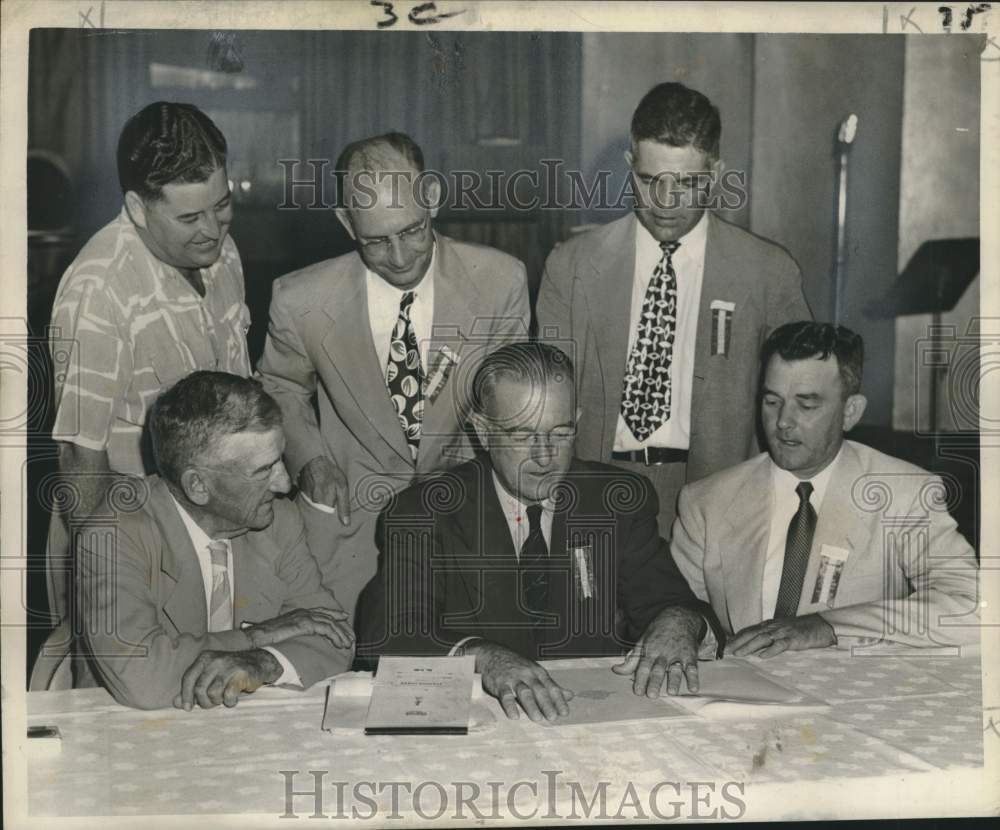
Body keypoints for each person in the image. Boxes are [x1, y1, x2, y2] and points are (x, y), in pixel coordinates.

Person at [356, 343, 723, 723]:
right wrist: (483, 659)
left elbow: (673, 603)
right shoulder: (426, 510)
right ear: (482, 432)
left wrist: (681, 621)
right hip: (482, 731)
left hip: (589, 721)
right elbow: (389, 635)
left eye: (560, 433)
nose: (545, 456)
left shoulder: (614, 501)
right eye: (522, 435)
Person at [257, 132, 530, 616]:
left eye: (411, 231)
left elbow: (508, 405)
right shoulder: (299, 300)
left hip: (466, 518)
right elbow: (281, 386)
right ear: (345, 223)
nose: (400, 259)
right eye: (377, 242)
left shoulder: (500, 280)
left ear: (432, 198)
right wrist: (310, 461)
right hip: (349, 532)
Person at [535, 81, 812, 542]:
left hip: (720, 496)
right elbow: (546, 404)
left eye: (686, 183)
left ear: (717, 174)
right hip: (598, 490)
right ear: (629, 167)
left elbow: (798, 406)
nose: (665, 201)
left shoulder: (768, 273)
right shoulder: (572, 266)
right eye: (649, 180)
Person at [46, 102, 251, 626]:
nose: (213, 229)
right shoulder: (99, 292)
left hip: (220, 534)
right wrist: (107, 599)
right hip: (132, 551)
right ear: (138, 208)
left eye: (222, 206)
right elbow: (79, 460)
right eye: (189, 217)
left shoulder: (219, 254)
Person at [670, 322, 980, 655]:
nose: (784, 421)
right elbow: (676, 615)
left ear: (850, 412)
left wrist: (828, 626)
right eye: (772, 401)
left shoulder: (904, 493)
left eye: (807, 405)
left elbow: (972, 607)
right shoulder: (705, 502)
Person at [77, 372, 354, 710]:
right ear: (198, 486)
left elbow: (336, 637)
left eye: (281, 459)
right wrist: (259, 637)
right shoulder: (114, 534)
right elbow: (143, 679)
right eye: (263, 470)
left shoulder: (278, 520)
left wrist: (262, 662)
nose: (284, 484)